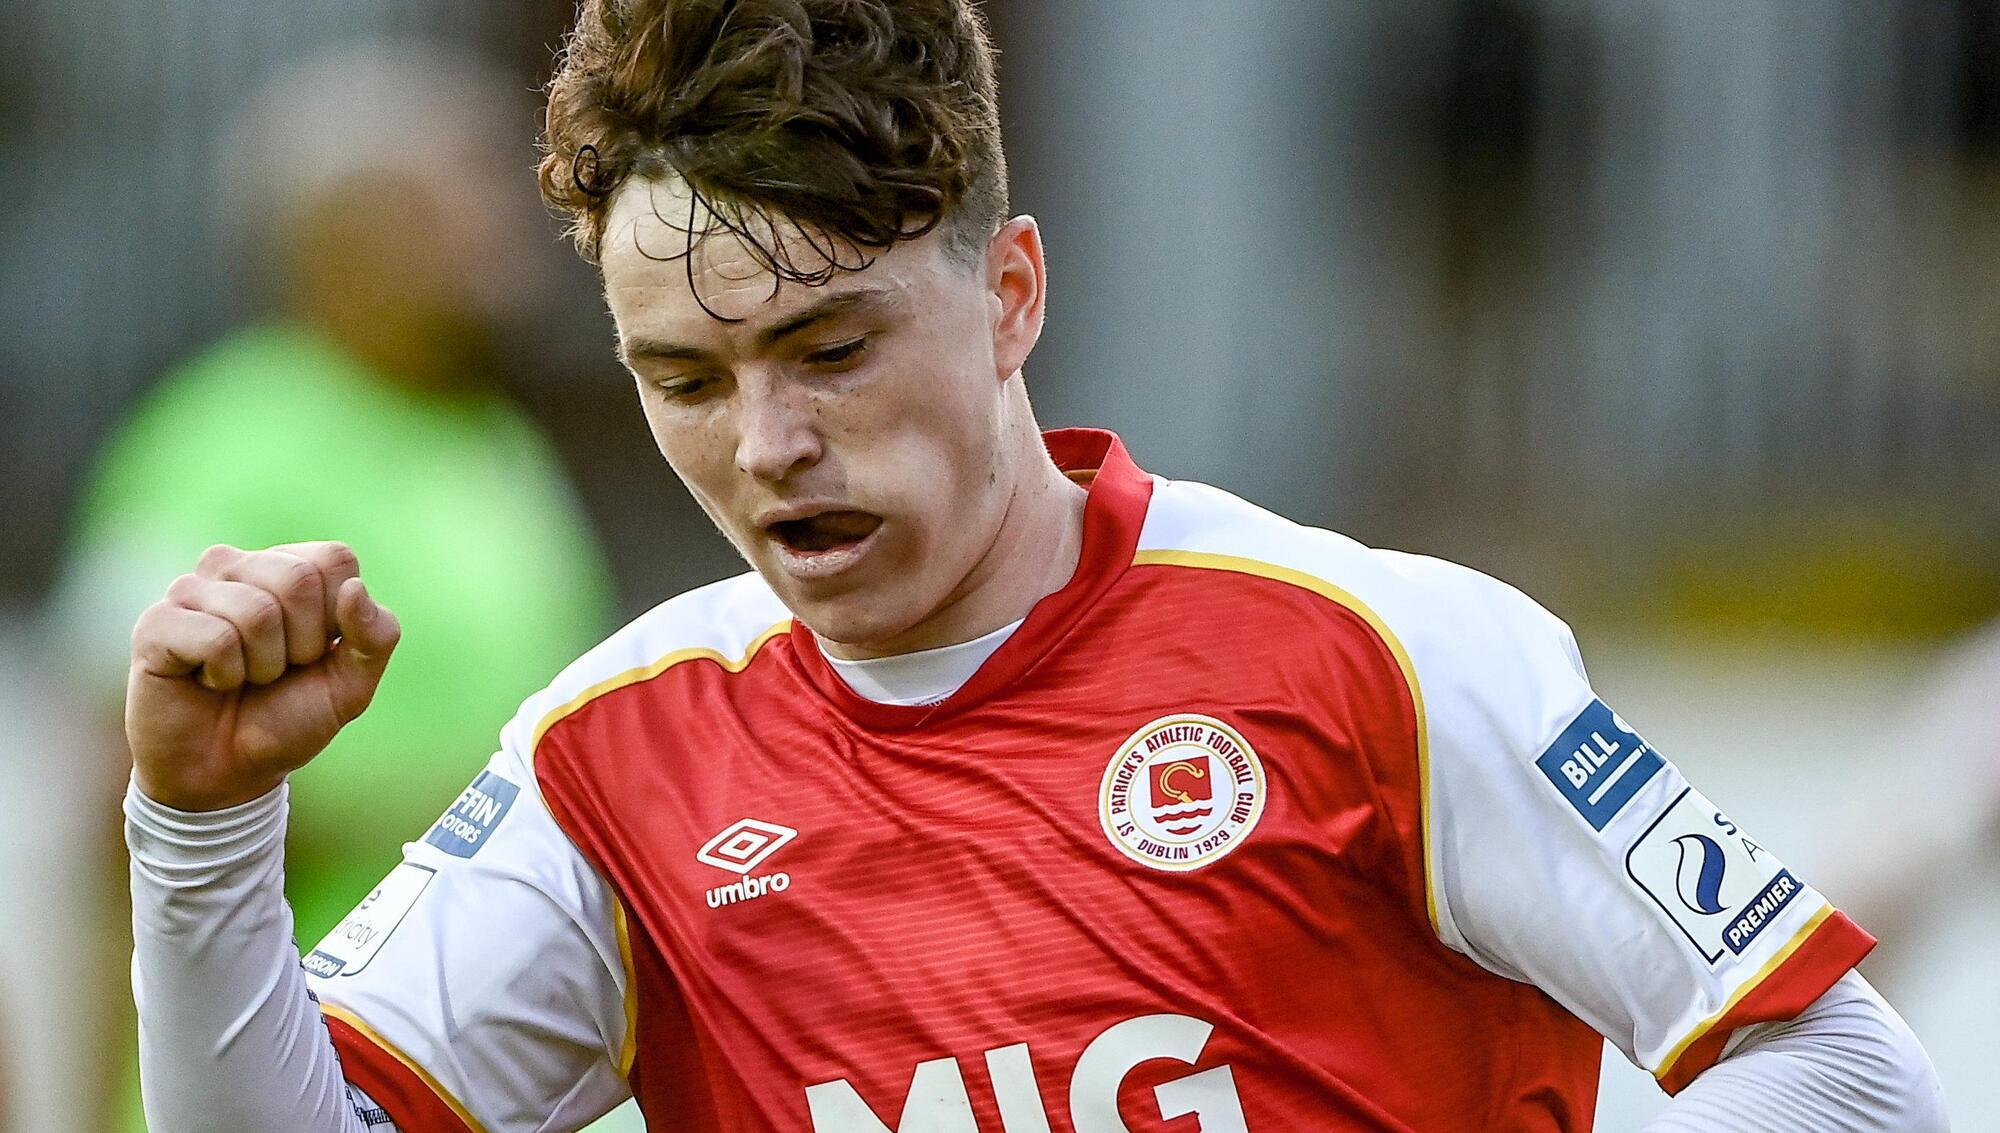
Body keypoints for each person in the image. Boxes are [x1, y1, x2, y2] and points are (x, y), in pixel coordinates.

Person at [120, 2, 1947, 1130]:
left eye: (833, 350)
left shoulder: (1384, 651)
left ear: (1010, 296)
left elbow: (1850, 1078)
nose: (767, 442)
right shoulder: (616, 755)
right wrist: (201, 831)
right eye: (685, 378)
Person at [48, 44, 616, 1131]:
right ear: (344, 238)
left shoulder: (492, 440)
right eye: (455, 193)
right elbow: (119, 787)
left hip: (485, 1078)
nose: (503, 224)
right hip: (287, 1071)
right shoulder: (219, 440)